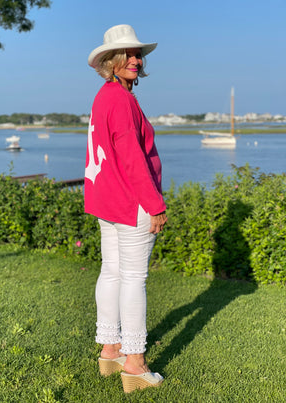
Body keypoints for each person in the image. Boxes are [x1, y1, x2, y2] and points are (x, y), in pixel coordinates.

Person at [84, 24, 167, 393]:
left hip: (108, 201)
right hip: (130, 202)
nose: (135, 60)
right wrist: (155, 204)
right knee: (133, 279)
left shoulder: (105, 96)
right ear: (110, 61)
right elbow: (132, 156)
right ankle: (134, 363)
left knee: (113, 273)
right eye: (127, 55)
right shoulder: (120, 99)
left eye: (138, 55)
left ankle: (110, 350)